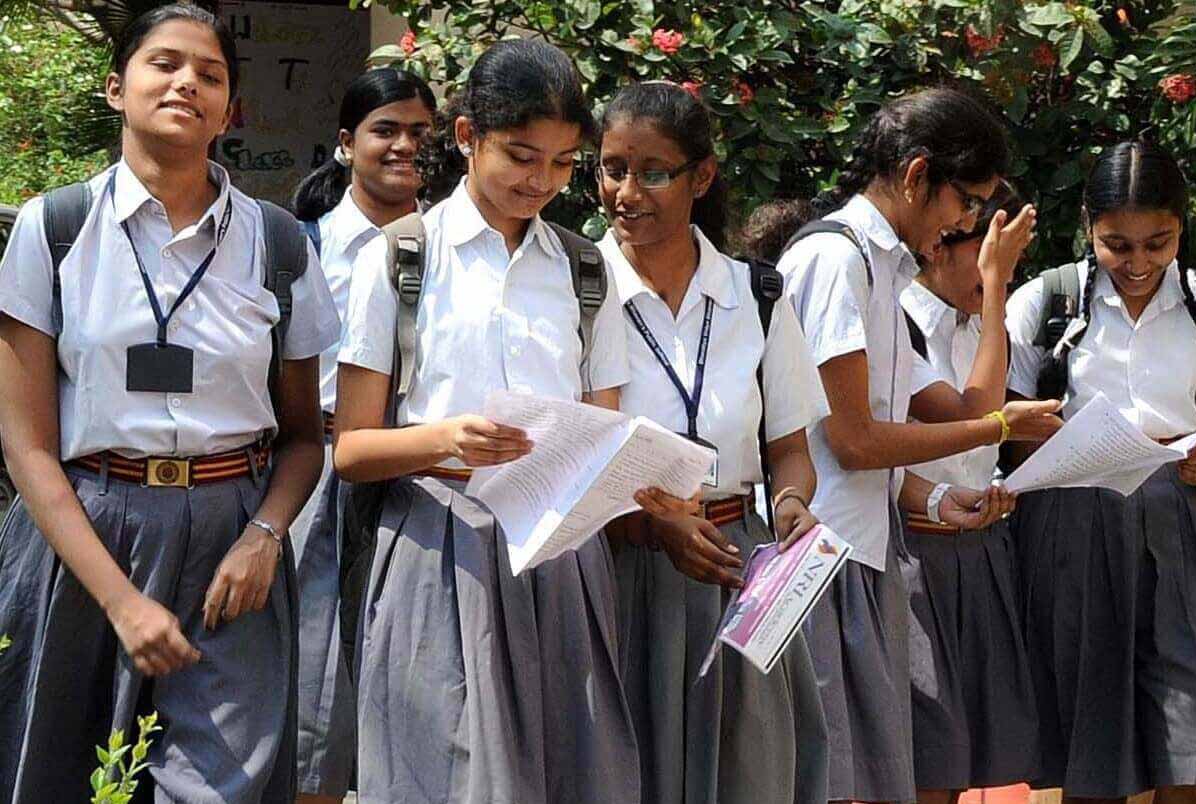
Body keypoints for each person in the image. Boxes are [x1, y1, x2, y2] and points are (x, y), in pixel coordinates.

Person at [0, 5, 340, 801]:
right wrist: (120, 600)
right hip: (83, 536)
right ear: (118, 88)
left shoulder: (280, 243)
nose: (188, 81)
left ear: (232, 110)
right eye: (165, 64)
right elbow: (24, 443)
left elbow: (303, 438)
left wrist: (265, 536)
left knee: (221, 786)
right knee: (65, 778)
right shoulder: (54, 230)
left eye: (211, 74)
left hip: (233, 551)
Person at [332, 39, 664, 803]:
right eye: (520, 155)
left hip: (560, 556)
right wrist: (445, 439)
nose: (539, 181)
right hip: (437, 545)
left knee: (568, 772)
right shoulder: (400, 258)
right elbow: (350, 448)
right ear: (465, 137)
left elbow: (604, 429)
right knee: (441, 775)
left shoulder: (585, 272)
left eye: (560, 163)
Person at [770, 87, 1059, 804]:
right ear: (915, 175)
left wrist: (935, 488)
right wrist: (999, 431)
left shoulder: (881, 268)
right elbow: (856, 441)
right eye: (966, 201)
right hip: (817, 557)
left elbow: (952, 412)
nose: (966, 222)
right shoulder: (833, 260)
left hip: (868, 551)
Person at [1006, 140, 1196, 804]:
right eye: (1116, 245)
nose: (1137, 263)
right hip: (1070, 525)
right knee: (1090, 738)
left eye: (1157, 243)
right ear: (1086, 225)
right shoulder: (1045, 303)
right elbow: (1008, 430)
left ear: (1183, 227)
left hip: (1177, 524)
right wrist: (1052, 436)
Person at [595, 81, 829, 804]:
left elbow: (789, 446)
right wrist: (650, 523)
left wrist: (791, 507)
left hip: (736, 563)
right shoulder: (576, 283)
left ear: (702, 176)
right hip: (619, 562)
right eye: (610, 168)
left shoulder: (756, 294)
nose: (625, 192)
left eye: (653, 172)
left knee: (750, 774)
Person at [288, 66, 435, 804]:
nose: (405, 146)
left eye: (421, 133)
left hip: (420, 481)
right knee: (313, 697)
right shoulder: (301, 246)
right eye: (387, 130)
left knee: (408, 684)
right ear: (347, 144)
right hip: (314, 478)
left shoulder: (445, 249)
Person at [897, 182, 1042, 804]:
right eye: (989, 255)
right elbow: (972, 412)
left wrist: (999, 488)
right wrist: (996, 292)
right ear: (939, 244)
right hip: (908, 555)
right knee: (920, 762)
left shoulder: (981, 324)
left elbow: (982, 448)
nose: (998, 275)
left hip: (975, 554)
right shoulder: (897, 318)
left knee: (957, 764)